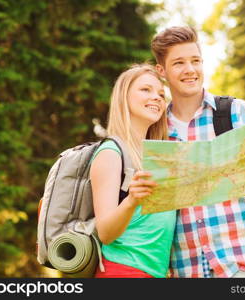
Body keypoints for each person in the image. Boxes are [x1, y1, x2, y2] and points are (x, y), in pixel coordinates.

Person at [151, 26, 245, 278]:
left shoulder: (234, 112)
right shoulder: (157, 129)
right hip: (185, 270)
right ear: (161, 71)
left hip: (242, 264)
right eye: (179, 63)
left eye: (195, 61)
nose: (190, 70)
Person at [91, 64, 176, 278]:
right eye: (146, 90)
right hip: (122, 272)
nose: (157, 97)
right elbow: (106, 232)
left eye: (160, 94)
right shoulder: (111, 152)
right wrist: (131, 201)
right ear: (124, 97)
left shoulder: (155, 157)